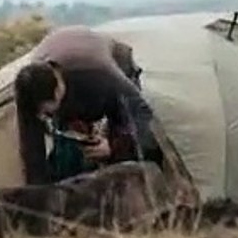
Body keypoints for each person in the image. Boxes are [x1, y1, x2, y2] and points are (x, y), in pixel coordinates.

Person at [13, 26, 160, 187]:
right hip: (64, 55)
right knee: (67, 154)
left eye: (47, 113)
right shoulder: (29, 88)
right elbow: (31, 150)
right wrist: (36, 192)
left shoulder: (101, 73)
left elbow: (143, 115)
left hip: (112, 63)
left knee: (129, 138)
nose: (43, 118)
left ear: (58, 92)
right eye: (40, 114)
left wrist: (115, 147)